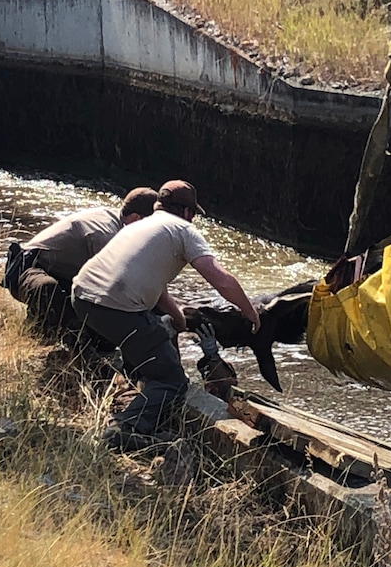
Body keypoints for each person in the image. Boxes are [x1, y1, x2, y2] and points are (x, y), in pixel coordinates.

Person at [71, 178, 261, 449]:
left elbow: (153, 286)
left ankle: (137, 390)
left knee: (153, 338)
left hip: (81, 297)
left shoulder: (141, 225)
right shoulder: (184, 230)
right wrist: (249, 311)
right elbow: (220, 278)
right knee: (171, 379)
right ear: (187, 212)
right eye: (193, 214)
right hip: (115, 308)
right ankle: (127, 427)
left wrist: (178, 318)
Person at [0, 187, 157, 344]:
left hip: (60, 275)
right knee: (49, 290)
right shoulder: (104, 234)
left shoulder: (114, 218)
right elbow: (115, 285)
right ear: (136, 218)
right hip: (27, 272)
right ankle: (35, 340)